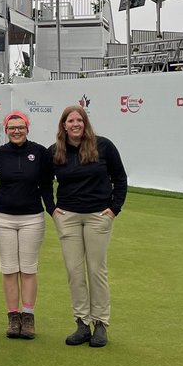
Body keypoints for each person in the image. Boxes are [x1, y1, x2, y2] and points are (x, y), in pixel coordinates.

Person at [47, 105, 128, 348]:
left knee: (96, 270)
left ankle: (100, 323)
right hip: (68, 216)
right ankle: (82, 323)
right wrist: (52, 209)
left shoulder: (104, 146)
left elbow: (120, 178)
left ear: (85, 123)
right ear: (64, 125)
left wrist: (114, 209)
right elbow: (43, 183)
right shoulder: (55, 151)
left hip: (97, 216)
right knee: (74, 271)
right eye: (70, 121)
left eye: (79, 120)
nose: (75, 124)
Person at [0, 111, 53, 340]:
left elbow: (47, 184)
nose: (16, 131)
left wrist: (53, 208)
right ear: (6, 130)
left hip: (32, 218)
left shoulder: (39, 152)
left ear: (27, 128)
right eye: (12, 127)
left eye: (21, 127)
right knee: (9, 269)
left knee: (28, 269)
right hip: (2, 218)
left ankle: (27, 317)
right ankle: (13, 316)